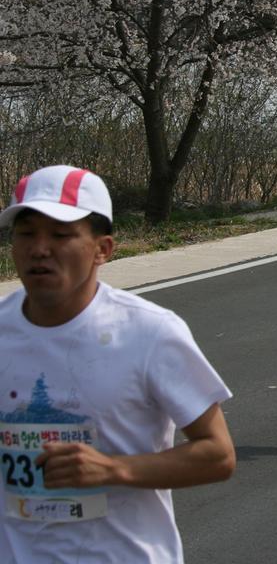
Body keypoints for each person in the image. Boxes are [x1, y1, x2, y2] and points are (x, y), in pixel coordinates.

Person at [0, 166, 235, 562]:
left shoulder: (149, 333)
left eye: (60, 235)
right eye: (26, 233)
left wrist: (113, 470)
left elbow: (218, 454)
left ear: (103, 249)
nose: (40, 248)